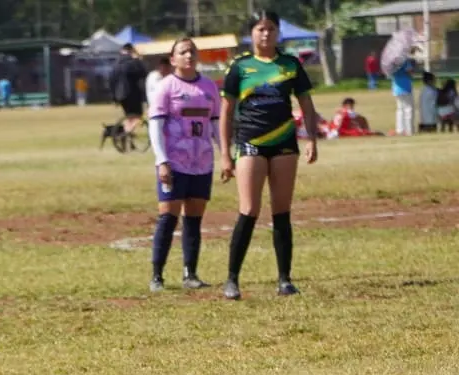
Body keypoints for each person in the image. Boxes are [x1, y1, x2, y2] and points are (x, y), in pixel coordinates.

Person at [219, 10, 318, 300]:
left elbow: (307, 105)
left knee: (282, 211)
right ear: (251, 33)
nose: (266, 34)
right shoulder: (240, 67)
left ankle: (285, 279)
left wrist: (311, 138)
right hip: (250, 142)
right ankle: (232, 279)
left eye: (271, 29)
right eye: (261, 29)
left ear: (278, 33)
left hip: (284, 143)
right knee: (249, 209)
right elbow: (225, 113)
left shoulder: (290, 65)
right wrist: (225, 155)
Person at [147, 37, 221, 291]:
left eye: (192, 51)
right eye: (183, 52)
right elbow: (155, 126)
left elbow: (215, 124)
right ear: (173, 59)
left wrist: (226, 156)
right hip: (174, 163)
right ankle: (157, 275)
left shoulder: (209, 87)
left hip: (202, 162)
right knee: (168, 218)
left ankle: (190, 273)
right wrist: (162, 160)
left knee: (193, 220)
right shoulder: (166, 87)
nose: (188, 56)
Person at [111, 43, 149, 135]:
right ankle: (127, 132)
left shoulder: (115, 64)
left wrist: (114, 97)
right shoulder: (133, 62)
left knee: (128, 116)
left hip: (120, 95)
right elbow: (143, 73)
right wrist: (139, 60)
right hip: (132, 94)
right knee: (138, 115)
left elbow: (111, 81)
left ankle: (127, 134)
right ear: (131, 50)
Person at [392, 55, 416, 136]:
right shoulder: (405, 60)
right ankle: (409, 130)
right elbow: (410, 72)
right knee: (408, 108)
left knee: (399, 109)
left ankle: (400, 129)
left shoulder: (392, 62)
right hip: (405, 86)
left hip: (396, 87)